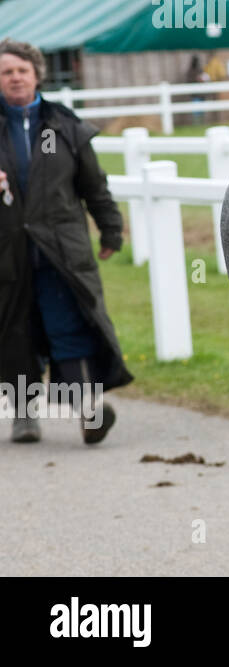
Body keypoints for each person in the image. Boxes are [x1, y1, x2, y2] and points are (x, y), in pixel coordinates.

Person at [0, 38, 132, 444]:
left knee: (68, 327)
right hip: (6, 253)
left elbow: (95, 186)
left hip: (60, 251)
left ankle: (89, 413)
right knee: (13, 332)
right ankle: (24, 416)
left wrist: (110, 229)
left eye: (22, 70)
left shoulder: (65, 126)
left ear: (37, 74)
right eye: (6, 72)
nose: (15, 77)